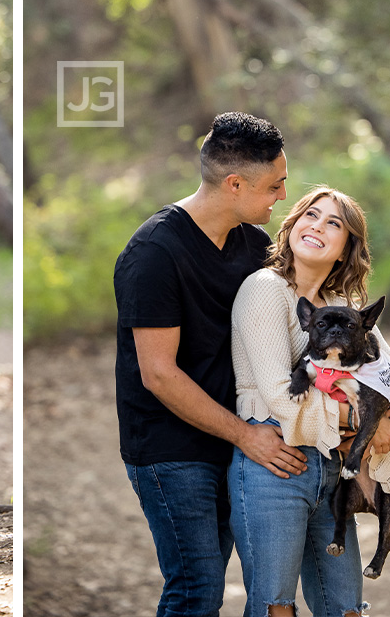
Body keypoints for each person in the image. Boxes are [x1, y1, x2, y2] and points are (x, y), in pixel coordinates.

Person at [113, 112, 309, 617]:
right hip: (170, 445)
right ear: (235, 183)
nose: (283, 197)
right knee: (196, 588)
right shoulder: (154, 253)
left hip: (237, 436)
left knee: (246, 582)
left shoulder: (254, 244)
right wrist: (246, 435)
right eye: (275, 185)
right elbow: (158, 374)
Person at [229, 186, 390, 617]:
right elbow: (281, 395)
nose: (317, 225)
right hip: (274, 467)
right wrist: (365, 419)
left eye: (333, 223)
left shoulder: (341, 306)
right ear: (292, 223)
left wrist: (386, 417)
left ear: (346, 249)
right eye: (310, 215)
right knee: (275, 609)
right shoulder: (265, 290)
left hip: (333, 473)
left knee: (347, 609)